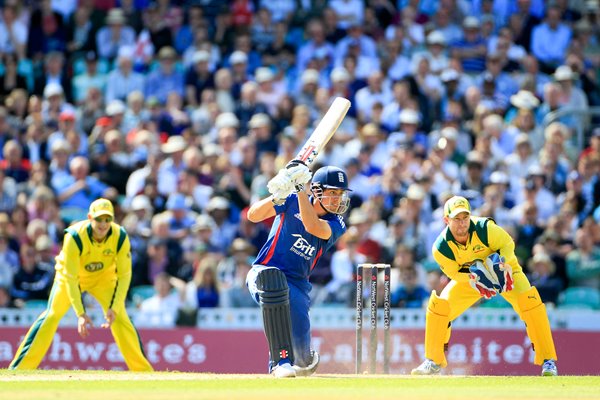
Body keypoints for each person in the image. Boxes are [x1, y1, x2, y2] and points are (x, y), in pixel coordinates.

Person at [411, 196, 558, 376]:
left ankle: (548, 361)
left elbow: (507, 244)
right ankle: (433, 361)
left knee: (531, 304)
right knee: (440, 308)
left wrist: (501, 265)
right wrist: (478, 277)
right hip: (471, 280)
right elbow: (454, 273)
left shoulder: (484, 228)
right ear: (446, 220)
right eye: (456, 218)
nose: (462, 223)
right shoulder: (441, 247)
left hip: (505, 273)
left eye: (465, 217)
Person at [10, 198, 153, 371]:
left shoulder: (120, 236)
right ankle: (20, 370)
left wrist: (114, 308)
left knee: (121, 318)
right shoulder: (75, 236)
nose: (103, 224)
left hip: (103, 279)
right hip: (72, 278)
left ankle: (144, 372)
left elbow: (124, 275)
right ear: (89, 217)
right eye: (99, 219)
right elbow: (70, 278)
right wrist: (80, 313)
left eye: (108, 219)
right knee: (52, 315)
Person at [246, 163, 351, 378]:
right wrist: (277, 196)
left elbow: (312, 226)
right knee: (274, 285)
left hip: (298, 285)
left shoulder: (337, 222)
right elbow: (253, 216)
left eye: (340, 194)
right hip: (264, 270)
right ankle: (280, 362)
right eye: (332, 193)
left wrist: (298, 189)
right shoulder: (291, 200)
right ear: (317, 190)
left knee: (301, 360)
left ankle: (303, 357)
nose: (337, 199)